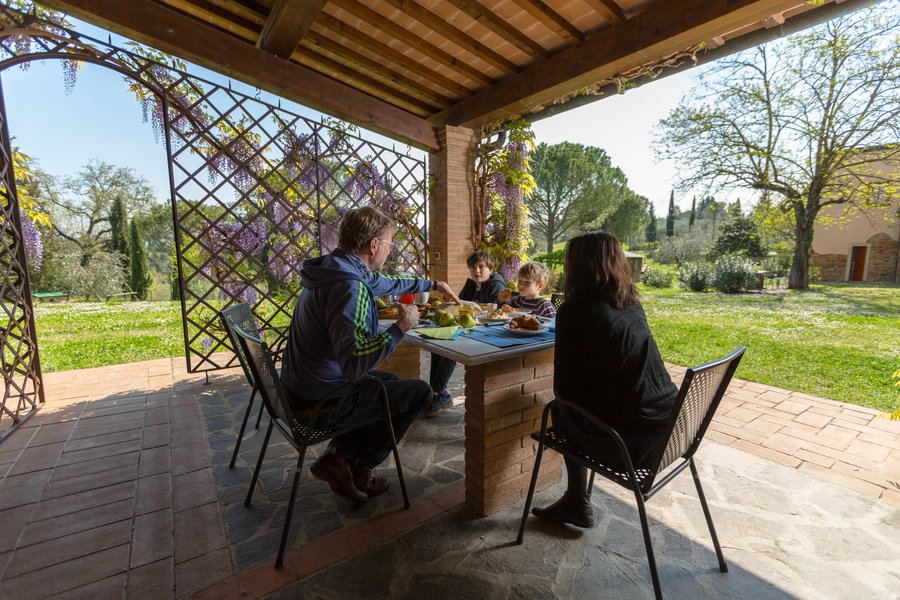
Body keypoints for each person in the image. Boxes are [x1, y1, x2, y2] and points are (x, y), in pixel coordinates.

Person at [280, 206, 460, 503]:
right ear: (374, 245)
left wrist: (432, 286)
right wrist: (401, 327)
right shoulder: (350, 287)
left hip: (300, 389)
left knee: (388, 380)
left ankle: (340, 459)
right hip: (321, 403)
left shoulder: (334, 269)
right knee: (420, 393)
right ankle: (362, 464)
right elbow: (355, 364)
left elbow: (384, 284)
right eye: (389, 244)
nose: (389, 252)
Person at [531, 232, 677, 528]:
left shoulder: (575, 310)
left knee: (560, 409)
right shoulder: (632, 304)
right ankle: (576, 502)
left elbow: (565, 390)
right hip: (669, 429)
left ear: (579, 266)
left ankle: (576, 502)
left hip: (630, 444)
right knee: (574, 408)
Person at [425, 250, 506, 417]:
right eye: (473, 267)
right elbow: (459, 305)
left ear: (490, 268)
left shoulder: (496, 285)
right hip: (471, 327)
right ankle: (437, 393)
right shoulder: (471, 284)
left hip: (488, 332)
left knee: (450, 346)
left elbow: (490, 312)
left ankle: (440, 394)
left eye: (481, 267)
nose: (477, 271)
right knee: (438, 344)